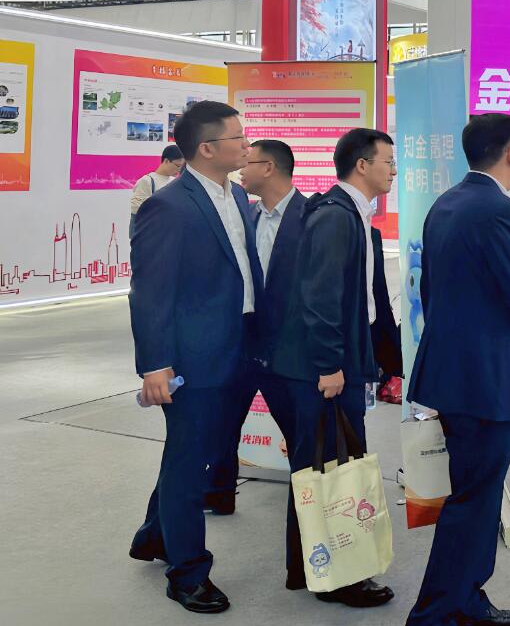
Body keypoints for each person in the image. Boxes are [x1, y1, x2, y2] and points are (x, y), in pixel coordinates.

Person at [407, 114, 510, 626]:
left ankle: (466, 599)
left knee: (474, 492)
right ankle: (437, 611)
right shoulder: (501, 211)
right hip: (486, 380)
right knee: (475, 497)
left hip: (451, 372)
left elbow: (432, 291)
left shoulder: (445, 204)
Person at [128, 101, 262, 615]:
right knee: (190, 462)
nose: (246, 145)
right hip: (194, 357)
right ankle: (187, 573)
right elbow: (150, 291)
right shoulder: (169, 206)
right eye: (237, 137)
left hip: (242, 344)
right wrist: (155, 364)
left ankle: (155, 534)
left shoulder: (237, 196)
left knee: (194, 452)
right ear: (207, 148)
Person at [269, 128, 397, 609]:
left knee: (322, 466)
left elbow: (364, 301)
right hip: (323, 370)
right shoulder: (335, 217)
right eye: (387, 161)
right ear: (362, 165)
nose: (394, 170)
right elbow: (319, 297)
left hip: (341, 364)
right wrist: (329, 365)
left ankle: (310, 567)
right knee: (328, 469)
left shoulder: (354, 215)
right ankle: (337, 577)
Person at [205, 139, 303, 516]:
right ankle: (217, 493)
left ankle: (309, 507)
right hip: (243, 342)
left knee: (300, 433)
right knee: (222, 425)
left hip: (287, 349)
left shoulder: (311, 216)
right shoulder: (243, 213)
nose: (241, 169)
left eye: (249, 161)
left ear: (269, 168)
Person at [129, 145, 183, 230]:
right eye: (178, 166)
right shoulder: (147, 181)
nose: (179, 170)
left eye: (182, 167)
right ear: (166, 161)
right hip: (151, 232)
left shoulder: (175, 181)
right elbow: (136, 213)